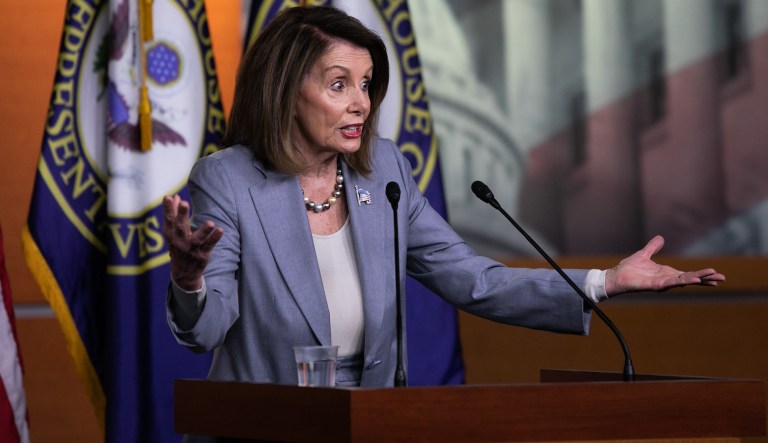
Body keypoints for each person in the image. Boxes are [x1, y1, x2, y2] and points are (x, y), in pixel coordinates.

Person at [163, 6, 725, 391]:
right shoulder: (229, 180)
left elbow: (473, 279)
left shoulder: (383, 170)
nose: (360, 102)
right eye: (339, 84)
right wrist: (190, 281)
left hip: (368, 429)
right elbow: (206, 331)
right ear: (286, 92)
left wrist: (605, 282)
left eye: (366, 84)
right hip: (264, 436)